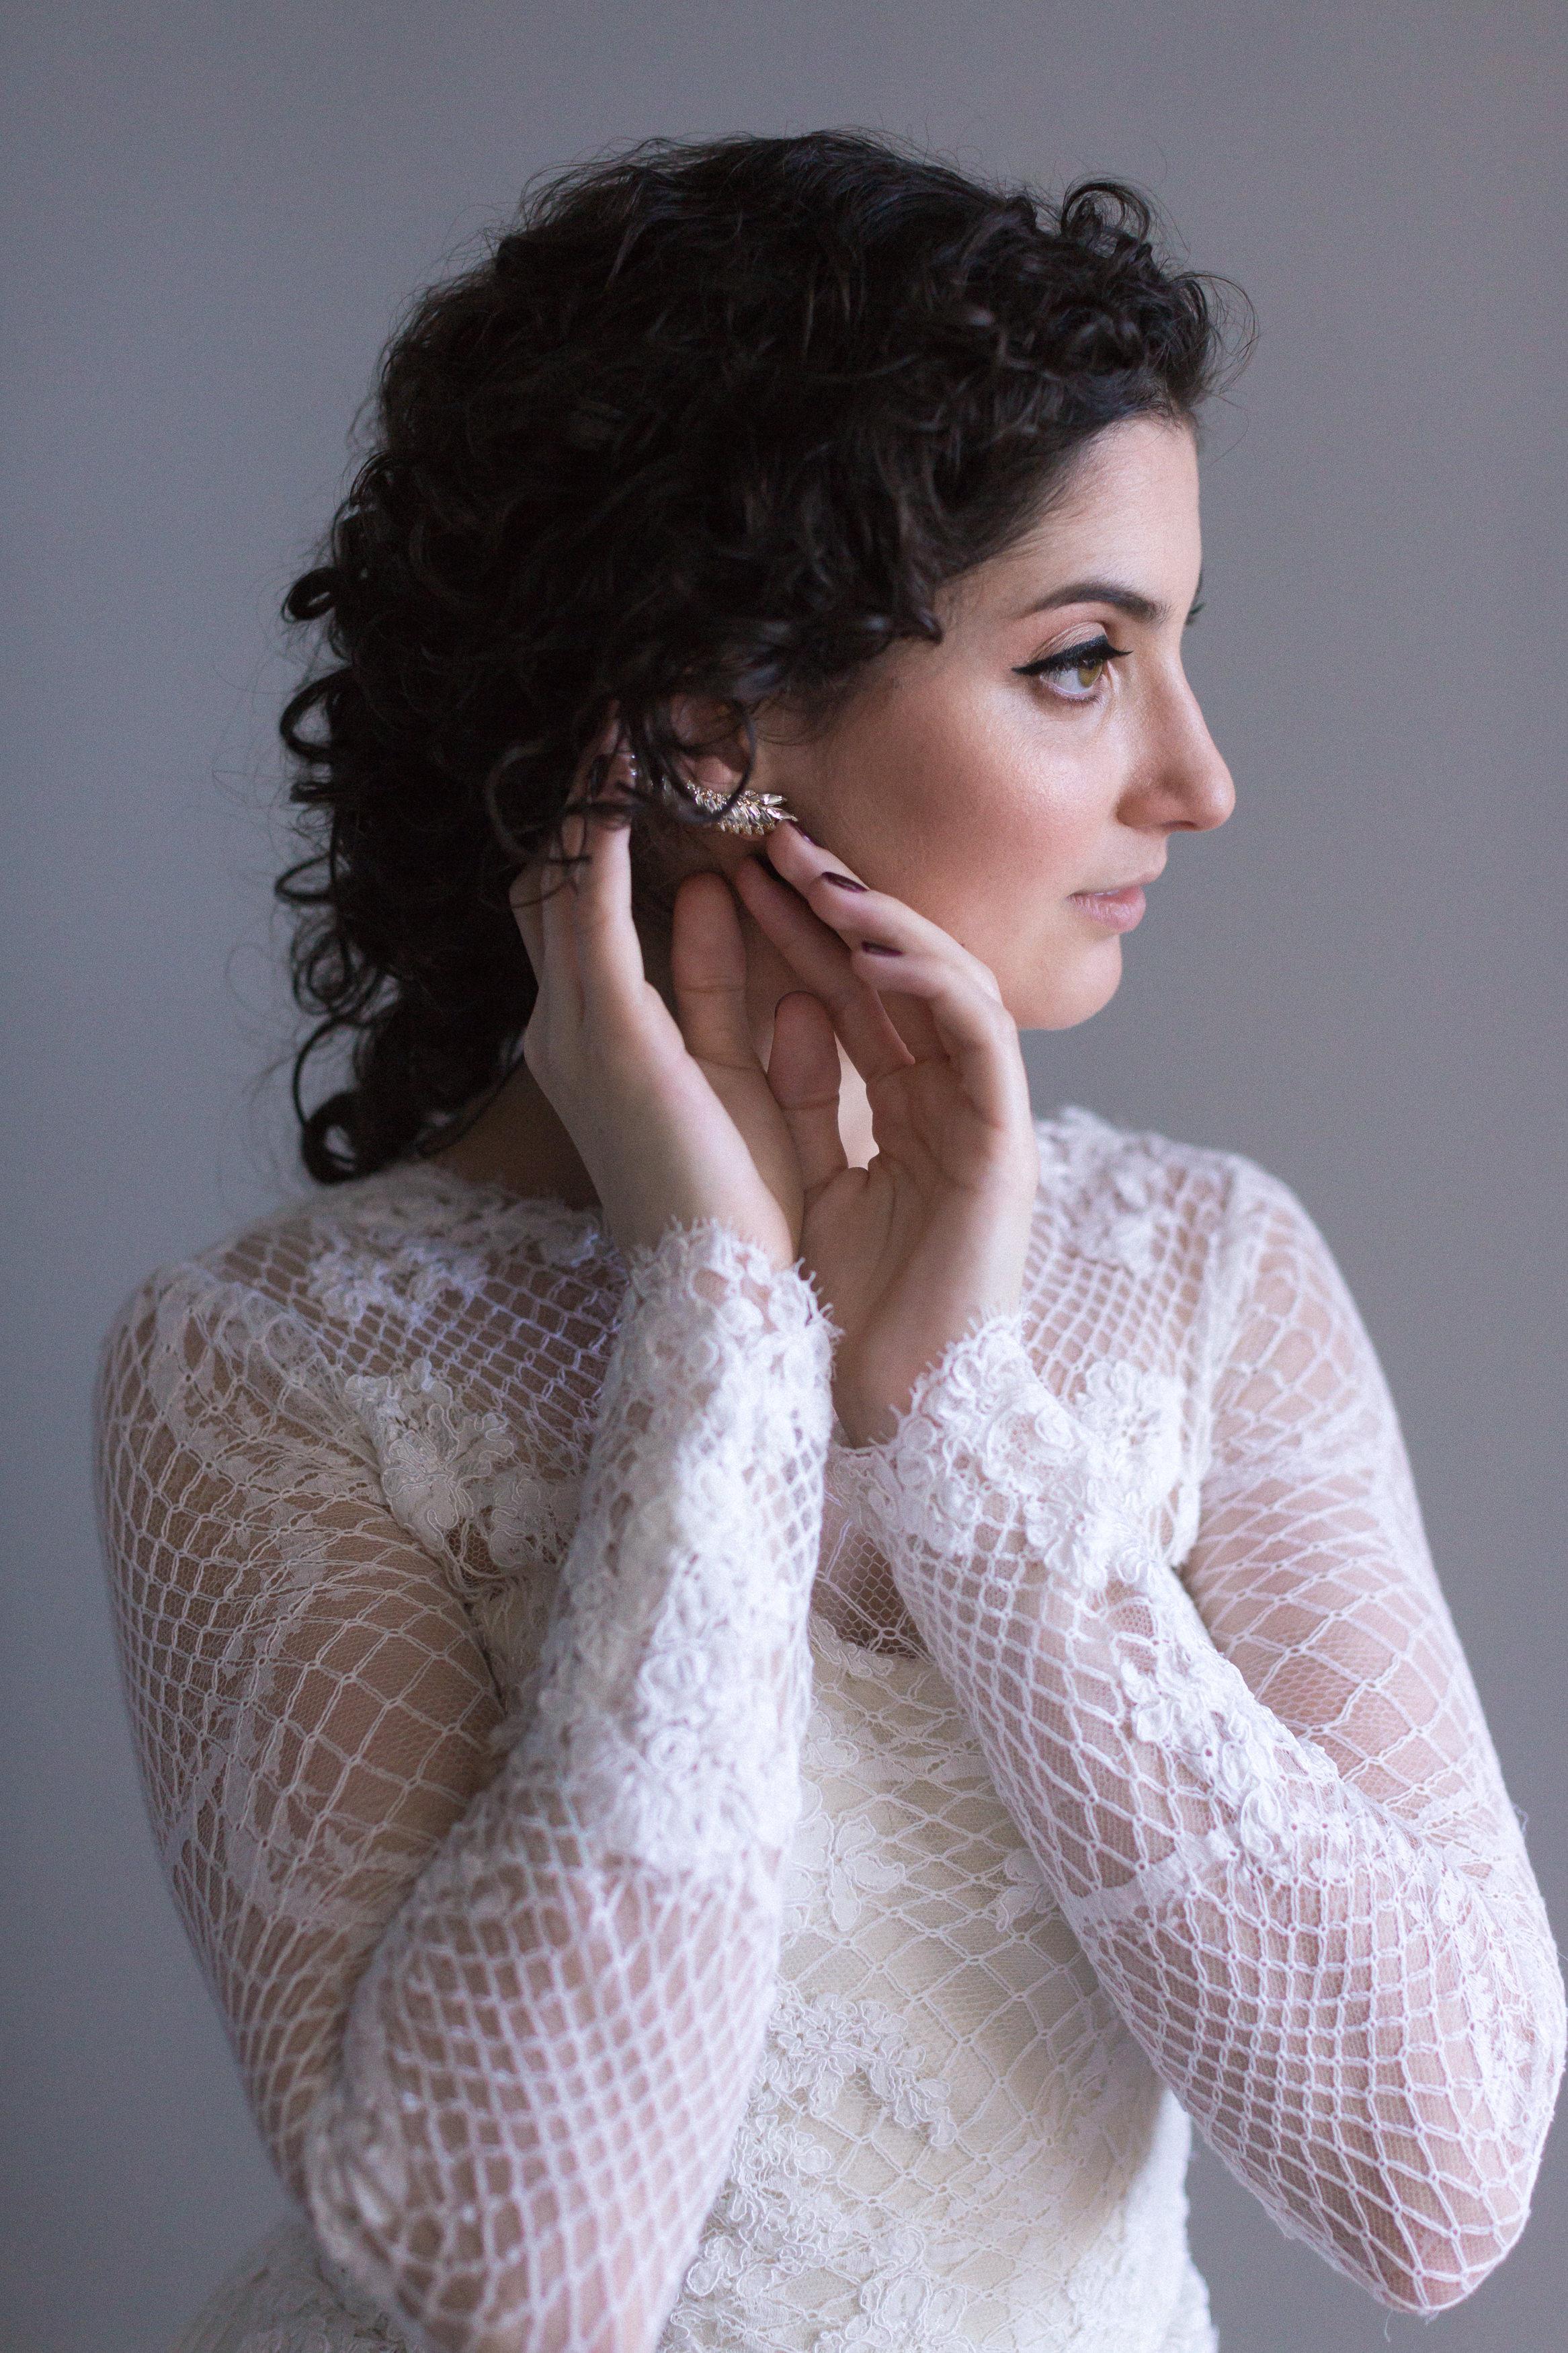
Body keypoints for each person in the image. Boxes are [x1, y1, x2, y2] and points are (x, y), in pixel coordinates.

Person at [95, 131, 1563, 2353]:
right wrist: (720, 1318)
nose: (1199, 777)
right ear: (710, 731)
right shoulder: (265, 1364)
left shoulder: (1207, 1275)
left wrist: (957, 1418)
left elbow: (1440, 2179)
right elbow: (513, 2281)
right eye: (1083, 661)